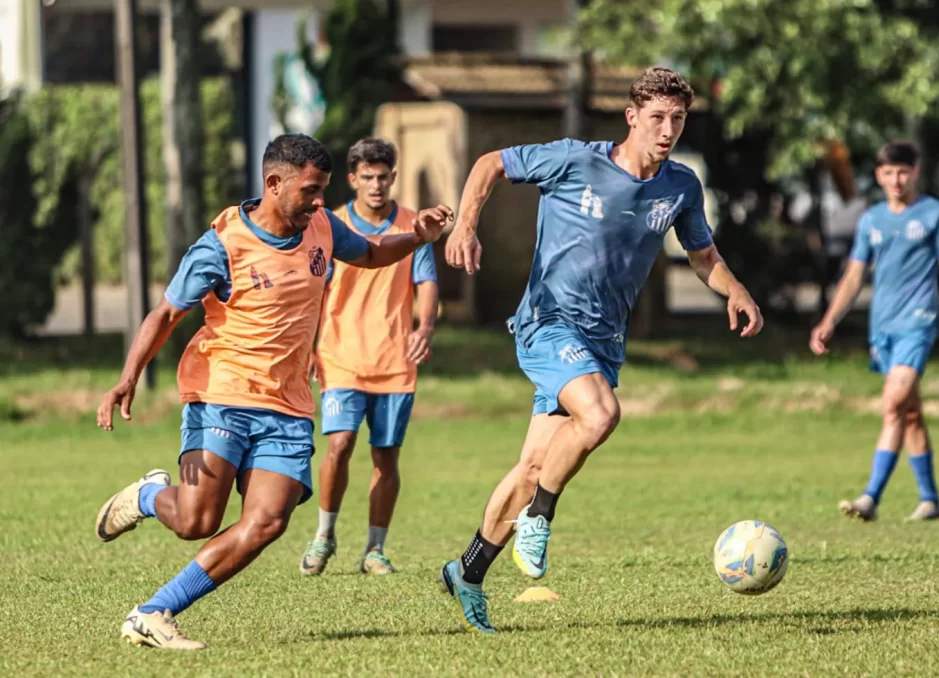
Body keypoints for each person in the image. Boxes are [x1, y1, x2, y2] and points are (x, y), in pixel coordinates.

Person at [93, 133, 451, 650]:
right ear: (273, 183)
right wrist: (127, 378)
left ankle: (154, 611)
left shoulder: (323, 227)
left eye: (324, 190)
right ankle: (150, 495)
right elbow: (167, 313)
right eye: (310, 190)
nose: (318, 202)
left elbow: (372, 253)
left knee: (267, 522)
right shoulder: (223, 243)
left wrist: (417, 235)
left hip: (287, 406)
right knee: (196, 521)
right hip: (223, 394)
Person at [438, 67, 764, 633]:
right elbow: (490, 162)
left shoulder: (681, 187)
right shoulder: (573, 160)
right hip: (547, 322)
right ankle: (540, 516)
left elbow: (702, 255)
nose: (667, 130)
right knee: (602, 414)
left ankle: (466, 571)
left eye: (678, 119)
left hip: (602, 341)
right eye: (657, 118)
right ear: (631, 117)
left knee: (533, 465)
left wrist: (735, 290)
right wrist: (465, 224)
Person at [299, 138, 438, 576]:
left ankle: (375, 549)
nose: (376, 185)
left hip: (394, 360)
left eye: (383, 176)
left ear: (393, 177)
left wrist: (425, 326)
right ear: (353, 179)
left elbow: (427, 281)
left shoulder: (415, 225)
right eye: (367, 177)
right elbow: (316, 289)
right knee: (338, 445)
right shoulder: (331, 224)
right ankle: (324, 535)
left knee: (386, 456)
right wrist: (309, 346)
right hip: (340, 355)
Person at [810, 140, 939, 523]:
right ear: (878, 176)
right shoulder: (872, 220)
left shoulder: (937, 214)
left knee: (892, 404)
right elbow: (853, 275)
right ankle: (930, 500)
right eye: (888, 173)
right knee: (910, 413)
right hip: (883, 328)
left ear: (915, 172)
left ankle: (870, 498)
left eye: (903, 171)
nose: (896, 179)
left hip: (919, 321)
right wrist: (829, 320)